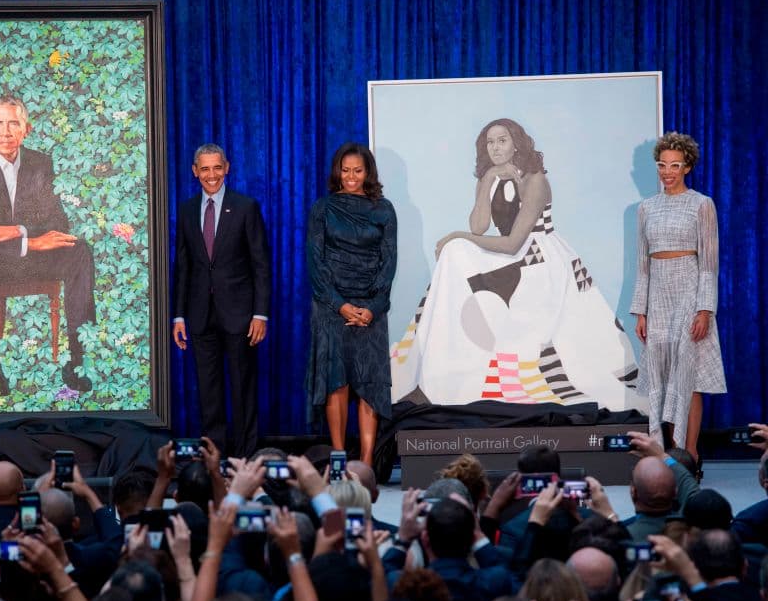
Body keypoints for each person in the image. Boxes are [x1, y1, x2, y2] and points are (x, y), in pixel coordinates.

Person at [391, 118, 644, 412]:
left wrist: (458, 236)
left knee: (457, 245)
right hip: (509, 255)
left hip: (539, 257)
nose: (495, 147)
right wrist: (487, 180)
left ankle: (490, 371)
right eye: (490, 142)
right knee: (454, 253)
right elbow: (479, 226)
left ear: (516, 144)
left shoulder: (535, 180)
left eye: (502, 140)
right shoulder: (490, 178)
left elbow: (513, 243)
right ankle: (437, 367)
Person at [0, 94, 96, 396]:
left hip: (25, 256)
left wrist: (16, 231)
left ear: (26, 130)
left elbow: (58, 221)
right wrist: (30, 242)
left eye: (14, 124)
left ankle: (76, 360)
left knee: (79, 250)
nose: (6, 132)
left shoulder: (40, 163)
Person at [630, 131, 727, 458]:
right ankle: (666, 454)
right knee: (663, 377)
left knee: (687, 377)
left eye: (675, 165)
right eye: (662, 165)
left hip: (689, 293)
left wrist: (705, 309)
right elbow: (642, 266)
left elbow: (709, 264)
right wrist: (641, 312)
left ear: (687, 167)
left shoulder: (702, 204)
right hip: (657, 296)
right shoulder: (646, 208)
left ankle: (690, 454)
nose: (667, 171)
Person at [172, 143, 271, 458]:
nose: (211, 175)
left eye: (217, 167)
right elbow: (183, 266)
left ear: (227, 168)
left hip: (240, 316)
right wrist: (178, 316)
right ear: (195, 171)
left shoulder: (245, 207)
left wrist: (260, 314)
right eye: (205, 168)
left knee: (243, 390)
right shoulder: (187, 210)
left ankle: (244, 459)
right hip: (200, 315)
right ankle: (214, 460)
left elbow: (261, 265)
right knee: (208, 393)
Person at [306, 142, 398, 466]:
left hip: (371, 307)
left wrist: (373, 307)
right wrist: (340, 305)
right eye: (345, 170)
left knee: (370, 384)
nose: (351, 177)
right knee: (337, 381)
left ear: (368, 172)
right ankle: (339, 458)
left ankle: (367, 464)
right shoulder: (322, 208)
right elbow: (315, 263)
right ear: (337, 172)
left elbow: (389, 262)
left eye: (357, 171)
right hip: (331, 307)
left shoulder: (384, 209)